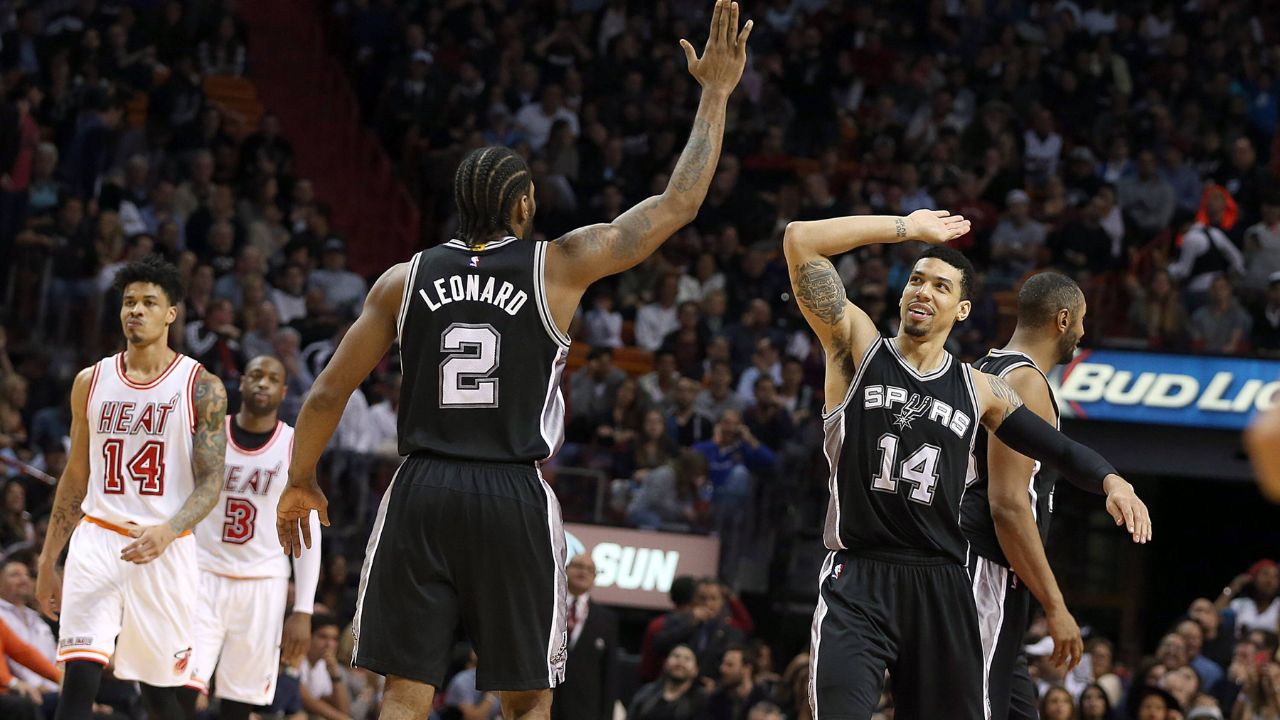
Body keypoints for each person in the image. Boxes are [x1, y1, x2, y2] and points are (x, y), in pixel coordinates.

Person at [276, 5, 753, 719]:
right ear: (525, 205)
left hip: (421, 488)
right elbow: (677, 204)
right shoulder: (558, 265)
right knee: (527, 697)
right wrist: (714, 94)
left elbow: (325, 394)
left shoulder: (402, 280)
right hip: (510, 490)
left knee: (404, 693)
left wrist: (300, 480)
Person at [782, 209, 1145, 719]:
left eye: (940, 286)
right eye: (916, 280)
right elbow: (801, 238)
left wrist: (1111, 480)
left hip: (942, 583)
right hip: (859, 573)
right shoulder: (857, 350)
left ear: (963, 309)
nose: (923, 292)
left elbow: (1056, 449)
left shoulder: (980, 389)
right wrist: (908, 228)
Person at [34, 255, 227, 720]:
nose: (135, 311)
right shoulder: (91, 381)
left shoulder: (202, 387)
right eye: (128, 302)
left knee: (158, 695)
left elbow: (210, 484)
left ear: (171, 314)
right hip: (97, 538)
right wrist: (47, 559)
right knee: (78, 681)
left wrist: (169, 527)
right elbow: (76, 476)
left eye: (148, 302)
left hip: (163, 547)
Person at [959, 272, 1150, 720]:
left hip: (988, 575)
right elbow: (1007, 504)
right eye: (1082, 320)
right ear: (1063, 319)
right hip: (985, 572)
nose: (1083, 332)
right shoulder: (1025, 382)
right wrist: (1056, 606)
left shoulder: (985, 368)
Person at [180, 356, 322, 720]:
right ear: (241, 383)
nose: (263, 383)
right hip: (202, 575)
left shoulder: (294, 446)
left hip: (263, 584)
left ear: (283, 392)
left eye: (273, 378)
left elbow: (307, 532)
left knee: (239, 704)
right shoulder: (210, 435)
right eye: (255, 375)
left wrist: (303, 609)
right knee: (176, 688)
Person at [552, 553, 618, 720]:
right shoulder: (548, 609)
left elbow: (609, 675)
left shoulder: (607, 619)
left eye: (590, 569)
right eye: (578, 566)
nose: (583, 572)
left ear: (595, 577)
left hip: (585, 711)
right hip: (545, 705)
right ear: (566, 570)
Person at [627, 645, 707, 720]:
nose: (680, 661)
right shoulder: (646, 692)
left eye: (687, 658)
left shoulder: (702, 701)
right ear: (665, 664)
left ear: (695, 670)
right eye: (676, 656)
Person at [299, 615, 352, 720]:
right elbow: (305, 699)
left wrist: (335, 674)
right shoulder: (297, 659)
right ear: (309, 636)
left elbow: (343, 709)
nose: (329, 644)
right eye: (323, 637)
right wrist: (342, 718)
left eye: (334, 639)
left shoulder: (323, 666)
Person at [706, 645, 773, 720]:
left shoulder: (762, 699)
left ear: (747, 669)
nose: (722, 669)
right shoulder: (716, 700)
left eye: (729, 665)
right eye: (723, 663)